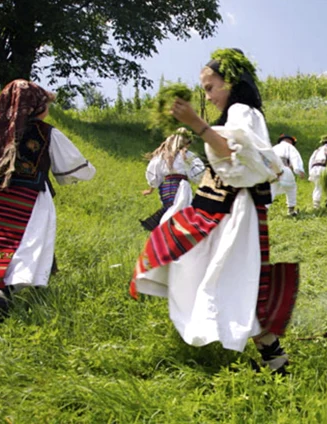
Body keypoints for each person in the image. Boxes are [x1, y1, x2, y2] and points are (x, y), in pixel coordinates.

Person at [129, 48, 297, 373]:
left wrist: (195, 122)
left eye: (210, 87)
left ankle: (273, 356)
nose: (207, 95)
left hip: (235, 212)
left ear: (231, 82)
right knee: (192, 259)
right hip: (217, 207)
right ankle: (269, 354)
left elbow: (241, 156)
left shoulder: (244, 112)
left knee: (234, 278)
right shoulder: (235, 115)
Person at [0, 79, 96, 315]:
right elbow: (71, 167)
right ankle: (3, 293)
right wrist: (88, 170)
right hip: (28, 199)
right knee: (26, 246)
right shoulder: (47, 133)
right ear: (35, 107)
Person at [139, 128, 205, 230]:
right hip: (181, 187)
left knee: (172, 209)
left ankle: (161, 228)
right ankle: (164, 230)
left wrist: (150, 189)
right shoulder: (188, 156)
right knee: (179, 212)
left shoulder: (162, 155)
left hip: (166, 188)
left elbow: (155, 175)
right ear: (186, 143)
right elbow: (198, 174)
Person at [270, 134, 304, 216]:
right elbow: (295, 157)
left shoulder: (273, 148)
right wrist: (299, 170)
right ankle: (291, 211)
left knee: (271, 191)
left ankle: (263, 210)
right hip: (284, 169)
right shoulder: (289, 146)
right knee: (291, 188)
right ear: (289, 141)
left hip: (272, 170)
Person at [308, 135, 327, 208]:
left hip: (314, 170)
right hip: (323, 169)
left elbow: (311, 161)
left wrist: (310, 174)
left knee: (317, 186)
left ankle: (316, 205)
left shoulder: (317, 150)